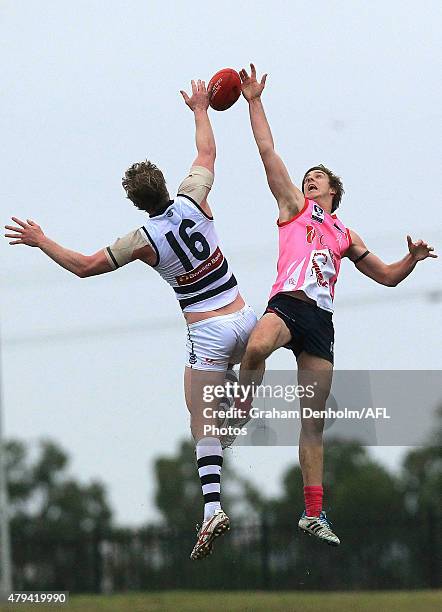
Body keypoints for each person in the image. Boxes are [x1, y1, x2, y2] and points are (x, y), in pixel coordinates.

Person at [4, 79, 257, 561]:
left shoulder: (140, 239)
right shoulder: (193, 197)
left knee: (199, 418)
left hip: (207, 329)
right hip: (243, 315)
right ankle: (243, 403)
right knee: (237, 393)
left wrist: (41, 239)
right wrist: (201, 108)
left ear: (136, 202)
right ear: (164, 183)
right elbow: (207, 150)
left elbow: (83, 266)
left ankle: (211, 507)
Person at [236, 63, 437, 546]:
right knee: (256, 349)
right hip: (288, 303)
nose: (308, 180)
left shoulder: (345, 233)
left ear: (333, 192)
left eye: (317, 178)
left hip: (319, 325)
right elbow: (268, 153)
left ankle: (313, 512)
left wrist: (410, 259)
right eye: (306, 177)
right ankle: (240, 406)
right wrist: (254, 101)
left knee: (313, 421)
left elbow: (387, 277)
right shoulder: (294, 210)